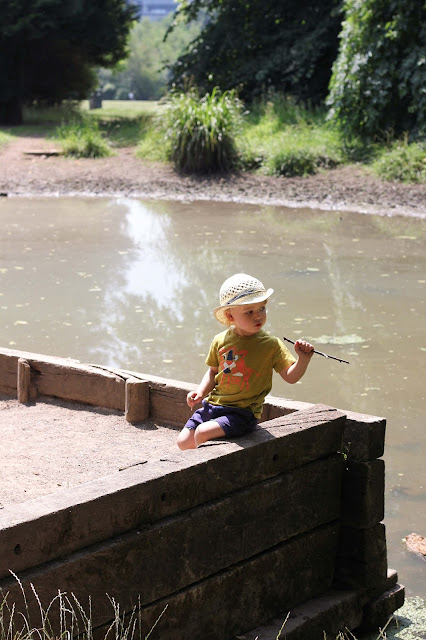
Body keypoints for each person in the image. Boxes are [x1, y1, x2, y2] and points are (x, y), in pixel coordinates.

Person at [177, 273, 314, 450]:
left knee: (202, 433)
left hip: (243, 413)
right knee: (183, 442)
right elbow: (212, 372)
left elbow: (290, 376)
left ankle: (207, 467)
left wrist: (303, 359)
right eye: (249, 312)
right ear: (230, 316)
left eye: (262, 309)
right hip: (214, 405)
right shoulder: (220, 340)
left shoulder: (270, 345)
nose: (258, 316)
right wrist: (200, 392)